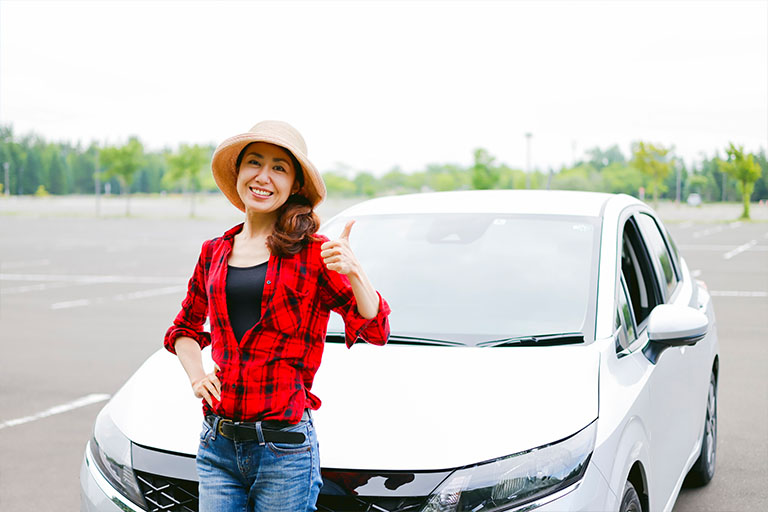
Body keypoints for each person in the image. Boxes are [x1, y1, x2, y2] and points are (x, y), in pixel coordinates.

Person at [163, 120, 391, 512]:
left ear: (294, 185)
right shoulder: (213, 252)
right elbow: (185, 327)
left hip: (283, 452)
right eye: (254, 162)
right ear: (239, 172)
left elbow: (374, 328)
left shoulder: (313, 253)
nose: (263, 176)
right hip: (217, 445)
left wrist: (355, 271)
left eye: (279, 167)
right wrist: (197, 376)